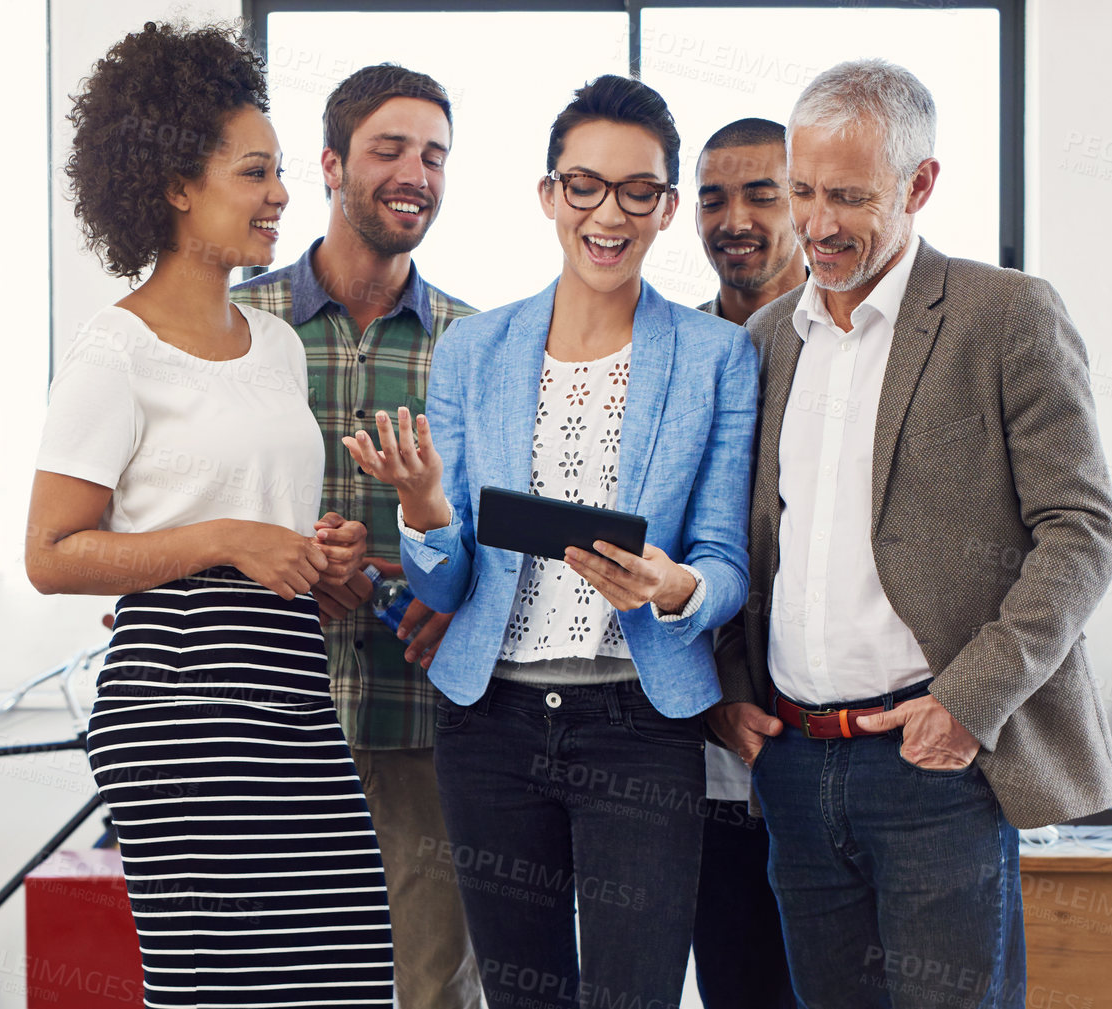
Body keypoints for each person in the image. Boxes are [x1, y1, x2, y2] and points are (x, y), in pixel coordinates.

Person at [710, 59, 1112, 1009]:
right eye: (803, 191)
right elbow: (735, 538)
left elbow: (1083, 530)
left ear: (919, 185)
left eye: (848, 197)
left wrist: (970, 702)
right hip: (796, 764)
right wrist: (732, 694)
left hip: (935, 763)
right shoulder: (766, 339)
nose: (815, 225)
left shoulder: (1005, 314)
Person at [345, 75, 756, 1009]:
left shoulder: (715, 357)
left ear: (666, 208)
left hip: (641, 725)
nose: (608, 214)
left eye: (637, 191)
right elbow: (444, 592)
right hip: (489, 724)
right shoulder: (473, 351)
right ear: (549, 196)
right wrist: (422, 510)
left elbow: (728, 558)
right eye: (585, 186)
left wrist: (675, 586)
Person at [27, 22, 392, 1007]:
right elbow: (51, 554)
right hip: (181, 699)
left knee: (350, 967)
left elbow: (266, 520)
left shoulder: (273, 345)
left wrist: (321, 555)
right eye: (254, 172)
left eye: (278, 173)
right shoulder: (118, 350)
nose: (280, 195)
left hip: (288, 685)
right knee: (228, 988)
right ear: (178, 184)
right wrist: (230, 541)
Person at [231, 63, 480, 1009]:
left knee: (432, 991)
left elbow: (510, 546)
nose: (414, 172)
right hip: (262, 728)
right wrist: (293, 559)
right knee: (267, 990)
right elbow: (165, 518)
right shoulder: (234, 325)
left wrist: (459, 603)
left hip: (424, 730)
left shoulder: (478, 344)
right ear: (331, 164)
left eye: (435, 156)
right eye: (389, 149)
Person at [687, 116, 803, 1009]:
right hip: (710, 762)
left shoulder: (851, 348)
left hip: (845, 747)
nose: (737, 218)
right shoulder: (675, 356)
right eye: (714, 196)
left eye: (761, 192)